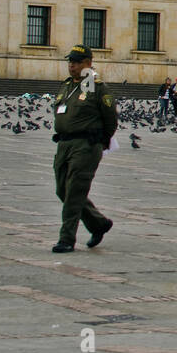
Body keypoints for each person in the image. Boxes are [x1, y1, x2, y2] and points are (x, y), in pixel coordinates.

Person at [50, 45, 117, 253]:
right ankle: (98, 223)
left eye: (77, 62)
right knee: (62, 189)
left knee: (75, 192)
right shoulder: (68, 85)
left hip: (86, 145)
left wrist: (99, 141)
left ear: (88, 63)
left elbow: (110, 120)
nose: (72, 66)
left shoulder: (97, 87)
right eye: (70, 62)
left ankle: (66, 239)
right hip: (64, 144)